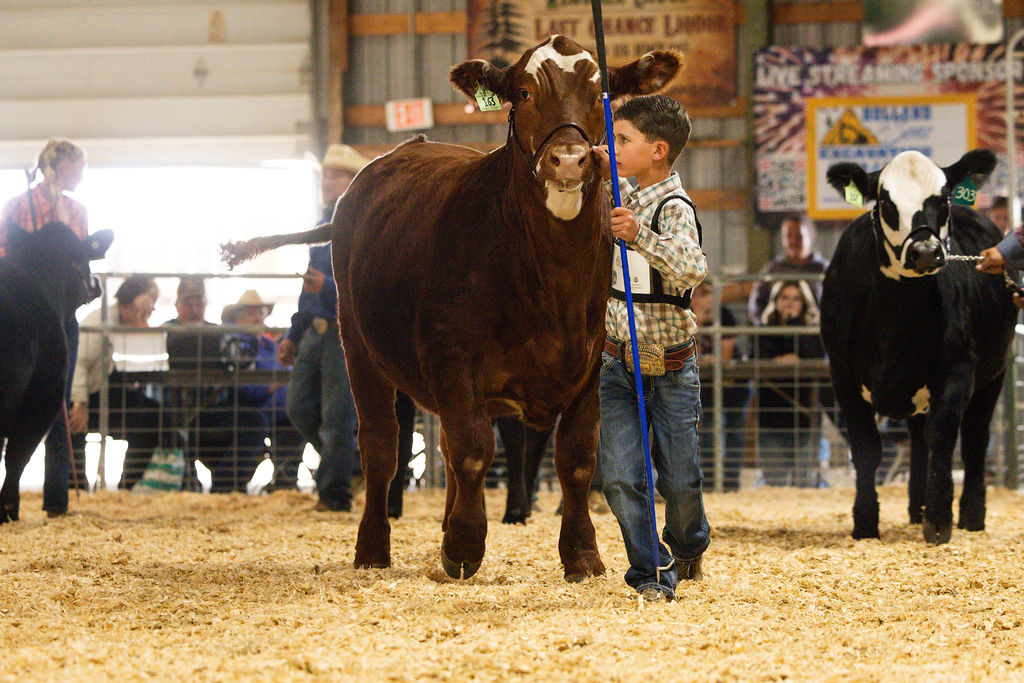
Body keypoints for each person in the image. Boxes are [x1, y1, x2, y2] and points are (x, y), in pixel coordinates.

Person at [592, 94, 709, 602]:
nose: (612, 148)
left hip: (672, 367)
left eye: (622, 141)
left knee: (679, 480)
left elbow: (690, 267)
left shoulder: (672, 208)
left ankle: (688, 542)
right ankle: (650, 571)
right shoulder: (618, 193)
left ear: (658, 151)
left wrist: (639, 236)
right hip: (617, 364)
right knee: (620, 476)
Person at [1, 138, 90, 516]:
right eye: (80, 168)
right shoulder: (25, 205)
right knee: (52, 400)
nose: (83, 176)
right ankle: (46, 501)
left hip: (43, 311)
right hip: (39, 313)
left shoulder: (66, 208)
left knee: (54, 403)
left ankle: (54, 499)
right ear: (65, 167)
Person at [278, 144, 369, 512]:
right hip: (317, 329)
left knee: (336, 417)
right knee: (299, 408)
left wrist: (327, 289)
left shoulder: (361, 224)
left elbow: (365, 281)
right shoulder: (325, 225)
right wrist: (293, 334)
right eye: (326, 174)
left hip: (342, 330)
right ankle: (355, 465)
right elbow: (309, 286)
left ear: (351, 183)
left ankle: (334, 496)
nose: (326, 181)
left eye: (336, 175)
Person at [164, 277, 265, 493]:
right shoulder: (165, 331)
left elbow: (240, 358)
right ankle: (187, 484)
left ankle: (225, 486)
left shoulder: (218, 332)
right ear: (177, 306)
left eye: (198, 304)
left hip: (218, 409)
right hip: (176, 410)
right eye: (187, 304)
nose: (193, 309)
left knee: (256, 422)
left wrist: (251, 335)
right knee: (170, 423)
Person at [69, 276, 164, 490]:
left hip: (102, 384)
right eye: (151, 300)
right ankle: (77, 490)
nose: (153, 308)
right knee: (74, 426)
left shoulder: (118, 318)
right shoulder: (99, 320)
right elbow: (79, 363)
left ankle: (125, 488)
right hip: (83, 392)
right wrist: (79, 403)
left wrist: (140, 318)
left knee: (153, 415)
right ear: (137, 300)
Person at [222, 290, 305, 492]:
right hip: (257, 404)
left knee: (299, 416)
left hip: (280, 404)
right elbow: (241, 389)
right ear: (237, 319)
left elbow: (288, 368)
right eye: (251, 314)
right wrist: (271, 385)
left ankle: (285, 481)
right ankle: (284, 479)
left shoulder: (269, 343)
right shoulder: (237, 344)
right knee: (293, 417)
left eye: (260, 313)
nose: (258, 318)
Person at [752, 280, 826, 487]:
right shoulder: (762, 330)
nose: (790, 303)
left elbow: (815, 355)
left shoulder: (812, 332)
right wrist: (789, 358)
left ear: (805, 303)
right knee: (774, 481)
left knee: (803, 482)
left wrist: (795, 325)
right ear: (775, 301)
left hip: (804, 417)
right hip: (771, 416)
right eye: (785, 297)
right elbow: (759, 356)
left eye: (796, 298)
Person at [691, 283, 751, 492]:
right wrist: (697, 322)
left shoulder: (724, 315)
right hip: (705, 385)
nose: (701, 299)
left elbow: (723, 357)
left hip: (733, 386)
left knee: (734, 432)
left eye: (705, 294)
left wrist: (706, 359)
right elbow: (692, 356)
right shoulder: (686, 316)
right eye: (696, 294)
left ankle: (730, 483)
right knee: (706, 432)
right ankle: (709, 483)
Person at [747, 214, 829, 326]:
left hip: (816, 336)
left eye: (799, 236)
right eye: (788, 236)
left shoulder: (825, 269)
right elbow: (756, 304)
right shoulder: (772, 270)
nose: (793, 241)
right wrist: (766, 329)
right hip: (778, 337)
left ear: (811, 236)